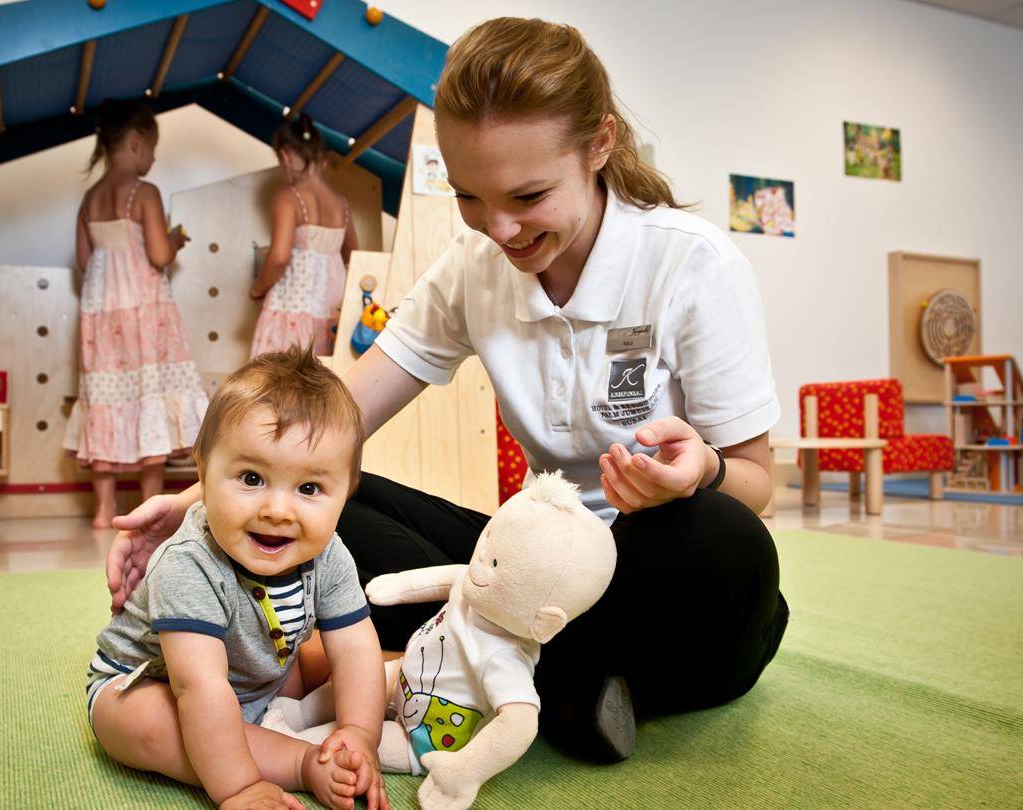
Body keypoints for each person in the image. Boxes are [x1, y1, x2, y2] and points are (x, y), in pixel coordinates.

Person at [109, 16, 789, 765]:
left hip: (646, 569)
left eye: (529, 196)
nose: (500, 228)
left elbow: (757, 482)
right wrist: (203, 500)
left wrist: (704, 473)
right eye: (470, 196)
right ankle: (546, 684)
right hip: (521, 573)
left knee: (726, 539)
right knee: (340, 498)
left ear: (599, 145)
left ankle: (477, 672)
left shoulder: (695, 267)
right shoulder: (476, 265)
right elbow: (332, 419)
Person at [87, 347, 388, 810]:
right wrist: (241, 787)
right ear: (203, 475)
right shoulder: (189, 563)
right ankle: (297, 761)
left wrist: (360, 735)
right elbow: (199, 688)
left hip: (259, 673)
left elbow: (355, 646)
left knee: (344, 663)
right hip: (156, 684)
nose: (276, 510)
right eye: (251, 478)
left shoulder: (329, 554)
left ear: (346, 493)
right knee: (142, 724)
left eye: (309, 489)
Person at [63, 100, 209, 529]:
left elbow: (83, 262)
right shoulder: (145, 194)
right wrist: (175, 240)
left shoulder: (90, 199)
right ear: (135, 142)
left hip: (100, 311)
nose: (153, 159)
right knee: (149, 392)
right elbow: (159, 254)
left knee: (105, 395)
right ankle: (148, 504)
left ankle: (104, 509)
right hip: (144, 312)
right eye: (151, 149)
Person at [249, 114, 359, 357]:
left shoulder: (288, 199)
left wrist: (258, 287)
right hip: (331, 307)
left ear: (286, 157)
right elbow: (353, 255)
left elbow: (279, 257)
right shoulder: (341, 203)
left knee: (278, 380)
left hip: (293, 303)